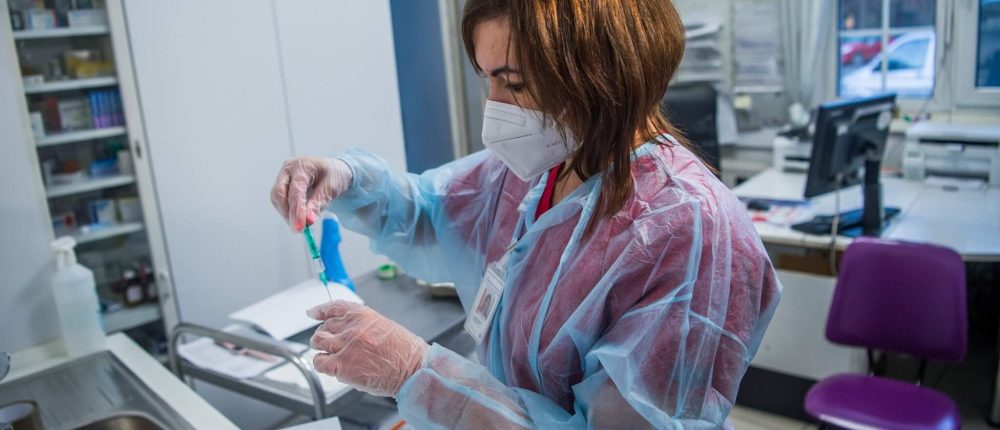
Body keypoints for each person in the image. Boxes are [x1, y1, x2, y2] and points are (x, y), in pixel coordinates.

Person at [270, 0, 781, 427]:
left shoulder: (690, 232)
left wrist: (418, 374)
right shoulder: (544, 164)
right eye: (487, 79)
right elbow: (430, 213)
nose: (495, 108)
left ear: (600, 74)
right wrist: (346, 178)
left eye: (513, 83)